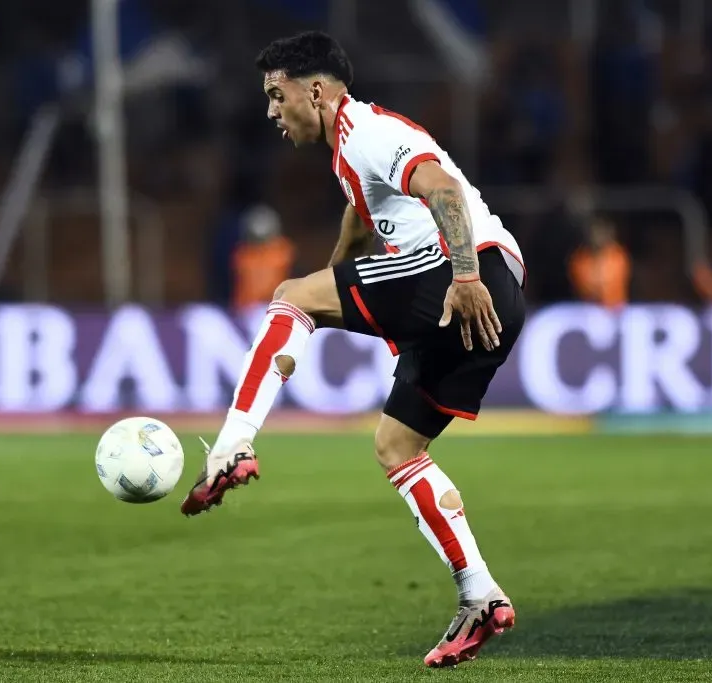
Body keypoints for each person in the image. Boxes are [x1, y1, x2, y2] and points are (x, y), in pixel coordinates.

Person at [181, 31, 526, 667]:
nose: (270, 111)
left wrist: (465, 275)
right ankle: (480, 594)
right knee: (396, 446)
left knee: (289, 295)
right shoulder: (350, 153)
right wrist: (334, 278)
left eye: (275, 95)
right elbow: (363, 219)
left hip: (468, 273)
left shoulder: (368, 129)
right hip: (484, 296)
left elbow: (443, 190)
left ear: (314, 90)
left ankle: (232, 444)